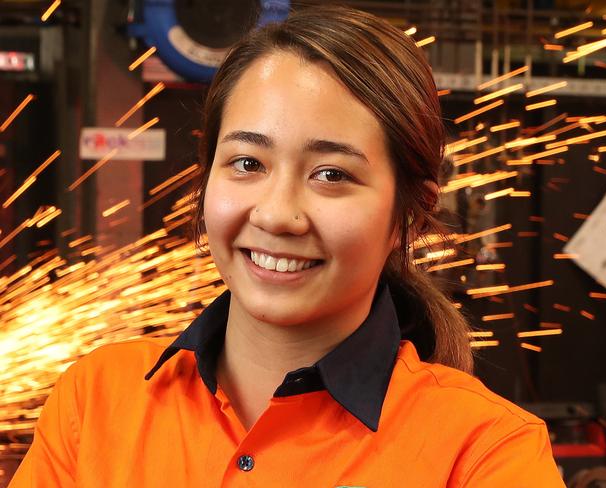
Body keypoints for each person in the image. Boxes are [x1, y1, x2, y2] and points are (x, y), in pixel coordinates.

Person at [10, 5, 565, 487]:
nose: (276, 214)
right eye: (247, 163)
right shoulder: (97, 399)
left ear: (410, 215)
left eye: (331, 174)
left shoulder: (485, 451)